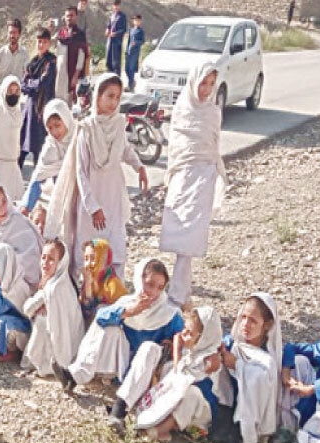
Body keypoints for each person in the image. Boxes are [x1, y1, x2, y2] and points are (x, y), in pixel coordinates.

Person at [45, 73, 148, 279]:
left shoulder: (118, 125)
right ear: (98, 97)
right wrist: (93, 207)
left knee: (115, 246)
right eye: (109, 96)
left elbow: (125, 149)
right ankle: (83, 297)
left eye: (118, 97)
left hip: (113, 197)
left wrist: (139, 167)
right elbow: (81, 173)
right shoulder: (87, 130)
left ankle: (112, 294)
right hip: (91, 203)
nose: (113, 102)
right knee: (87, 251)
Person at [55, 260, 184, 404]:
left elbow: (185, 341)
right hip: (123, 366)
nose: (154, 292)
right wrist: (130, 311)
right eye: (150, 284)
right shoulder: (127, 302)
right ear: (139, 280)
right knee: (109, 326)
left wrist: (172, 344)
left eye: (160, 287)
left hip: (147, 371)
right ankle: (76, 376)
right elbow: (100, 318)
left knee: (149, 347)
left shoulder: (169, 314)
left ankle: (121, 406)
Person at [160, 63, 224, 308]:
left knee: (190, 240)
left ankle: (178, 294)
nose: (206, 90)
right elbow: (177, 146)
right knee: (178, 229)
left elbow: (214, 143)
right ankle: (179, 292)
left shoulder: (213, 112)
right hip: (183, 176)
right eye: (203, 83)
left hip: (204, 176)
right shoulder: (182, 109)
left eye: (211, 84)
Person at [134, 306, 222, 442]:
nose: (184, 335)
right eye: (184, 330)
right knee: (168, 370)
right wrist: (177, 352)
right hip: (179, 402)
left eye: (190, 333)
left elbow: (195, 384)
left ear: (204, 338)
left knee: (191, 394)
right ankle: (156, 416)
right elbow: (177, 346)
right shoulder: (192, 352)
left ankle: (159, 431)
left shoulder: (211, 360)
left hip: (199, 412)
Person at [213, 293, 282, 443]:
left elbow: (262, 382)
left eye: (253, 320)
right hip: (227, 403)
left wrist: (237, 365)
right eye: (243, 317)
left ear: (266, 325)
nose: (245, 324)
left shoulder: (267, 358)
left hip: (248, 412)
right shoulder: (232, 343)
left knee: (257, 377)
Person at [21, 239, 84, 376]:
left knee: (42, 321)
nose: (45, 263)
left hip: (65, 347)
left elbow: (28, 309)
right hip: (67, 345)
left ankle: (46, 365)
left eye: (51, 259)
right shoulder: (59, 282)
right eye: (43, 257)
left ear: (60, 263)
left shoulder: (55, 288)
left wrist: (39, 307)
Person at [0, 184, 43, 287]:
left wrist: (5, 264)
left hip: (23, 283)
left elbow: (31, 258)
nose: (2, 209)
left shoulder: (18, 221)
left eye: (4, 202)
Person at [281, 327, 320, 443]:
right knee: (299, 361)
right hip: (316, 404)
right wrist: (286, 371)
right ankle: (287, 426)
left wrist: (312, 389)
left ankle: (304, 442)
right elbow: (291, 348)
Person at [20, 98, 73, 214]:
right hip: (61, 202)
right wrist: (26, 207)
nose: (54, 132)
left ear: (66, 120)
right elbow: (38, 177)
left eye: (57, 125)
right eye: (50, 128)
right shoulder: (50, 147)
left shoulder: (79, 140)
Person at [19, 28, 56, 169]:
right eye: (39, 41)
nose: (41, 45)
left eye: (44, 42)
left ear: (49, 44)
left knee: (38, 145)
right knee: (22, 142)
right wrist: (31, 84)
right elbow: (23, 84)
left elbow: (43, 83)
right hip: (29, 106)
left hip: (42, 106)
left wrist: (31, 84)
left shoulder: (50, 62)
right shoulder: (33, 62)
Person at [78, 238, 127, 323]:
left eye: (93, 258)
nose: (88, 263)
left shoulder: (113, 285)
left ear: (104, 260)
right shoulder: (89, 282)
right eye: (86, 259)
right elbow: (86, 312)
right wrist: (88, 286)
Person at [53, 7, 87, 106]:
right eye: (67, 16)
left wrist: (76, 75)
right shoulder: (61, 33)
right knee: (58, 99)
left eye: (71, 15)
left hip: (71, 73)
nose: (69, 18)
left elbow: (81, 56)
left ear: (76, 16)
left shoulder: (80, 34)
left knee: (68, 102)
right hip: (59, 73)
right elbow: (52, 45)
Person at [105, 0, 127, 75]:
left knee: (116, 62)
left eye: (117, 5)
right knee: (108, 61)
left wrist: (115, 33)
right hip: (110, 41)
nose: (116, 7)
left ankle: (117, 80)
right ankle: (109, 78)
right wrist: (107, 30)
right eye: (115, 5)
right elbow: (108, 26)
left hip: (117, 42)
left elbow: (123, 30)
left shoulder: (122, 16)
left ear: (120, 6)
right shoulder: (111, 15)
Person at [125, 15, 145, 92]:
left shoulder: (140, 31)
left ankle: (130, 86)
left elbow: (142, 41)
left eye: (138, 20)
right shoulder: (131, 30)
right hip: (129, 51)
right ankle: (132, 82)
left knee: (131, 69)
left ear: (140, 22)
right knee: (126, 69)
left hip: (135, 52)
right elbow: (129, 41)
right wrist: (126, 50)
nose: (136, 22)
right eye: (135, 20)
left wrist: (136, 43)